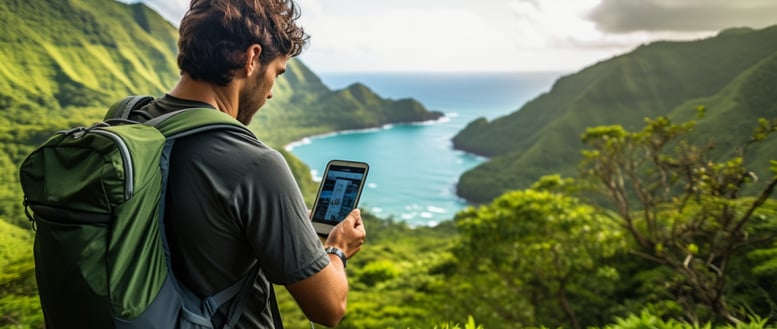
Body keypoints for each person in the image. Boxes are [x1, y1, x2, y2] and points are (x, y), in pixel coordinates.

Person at [129, 0, 366, 327]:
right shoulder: (256, 165)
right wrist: (337, 249)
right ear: (252, 58)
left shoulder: (129, 123)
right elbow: (329, 307)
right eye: (276, 74)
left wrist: (287, 223)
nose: (270, 93)